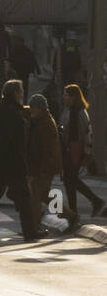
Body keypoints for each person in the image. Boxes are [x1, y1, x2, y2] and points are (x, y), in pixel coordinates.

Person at [0, 79, 41, 242]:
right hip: (12, 162)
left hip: (0, 163)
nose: (22, 94)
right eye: (20, 91)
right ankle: (30, 232)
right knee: (24, 197)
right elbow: (8, 139)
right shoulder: (12, 112)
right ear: (15, 93)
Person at [59, 83, 103, 223]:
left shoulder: (79, 112)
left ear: (73, 97)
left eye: (66, 95)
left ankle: (93, 203)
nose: (64, 97)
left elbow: (87, 134)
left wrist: (87, 153)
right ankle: (77, 210)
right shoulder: (70, 110)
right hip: (70, 148)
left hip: (76, 148)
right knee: (69, 180)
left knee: (70, 179)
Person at [26, 94, 62, 221]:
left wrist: (42, 168)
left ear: (39, 108)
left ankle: (34, 226)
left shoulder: (45, 123)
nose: (30, 110)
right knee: (43, 195)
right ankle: (70, 216)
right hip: (43, 165)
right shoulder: (40, 120)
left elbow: (47, 150)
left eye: (32, 107)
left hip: (45, 166)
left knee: (36, 197)